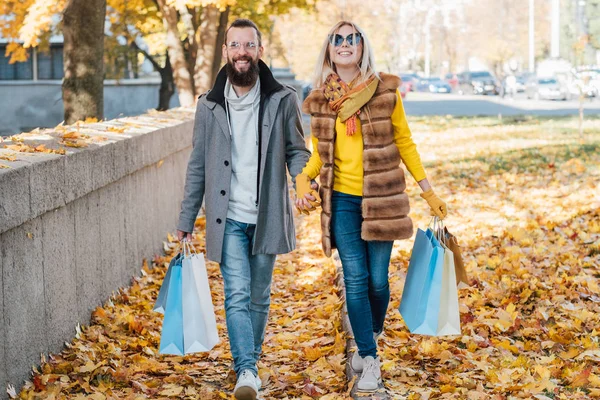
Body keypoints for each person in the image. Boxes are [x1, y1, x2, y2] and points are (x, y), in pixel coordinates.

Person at [296, 21, 448, 392]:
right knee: (356, 278)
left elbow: (405, 143)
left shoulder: (385, 93)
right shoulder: (320, 101)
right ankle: (370, 357)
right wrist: (302, 179)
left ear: (362, 47)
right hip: (343, 201)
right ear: (329, 49)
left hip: (383, 199)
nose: (345, 44)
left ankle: (369, 335)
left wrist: (428, 191)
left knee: (379, 282)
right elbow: (320, 157)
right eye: (339, 39)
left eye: (353, 39)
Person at [176, 18, 311, 400]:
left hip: (267, 215)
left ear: (259, 51)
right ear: (225, 51)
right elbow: (198, 166)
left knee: (259, 296)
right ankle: (247, 370)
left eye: (248, 45)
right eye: (234, 45)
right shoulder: (209, 106)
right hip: (228, 217)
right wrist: (186, 220)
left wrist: (302, 182)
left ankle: (249, 360)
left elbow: (298, 151)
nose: (241, 52)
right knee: (235, 294)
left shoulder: (283, 99)